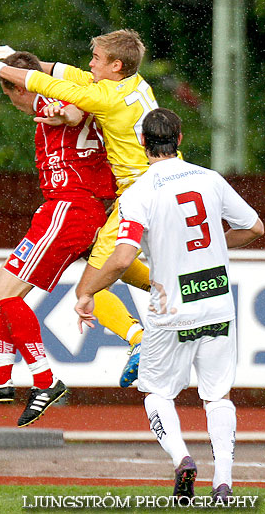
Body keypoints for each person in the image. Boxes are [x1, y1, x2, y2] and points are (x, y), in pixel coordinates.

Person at [74, 108, 263, 501]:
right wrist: (213, 247)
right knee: (217, 397)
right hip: (216, 304)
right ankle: (224, 482)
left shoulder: (139, 192)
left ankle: (182, 459)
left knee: (158, 393)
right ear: (179, 140)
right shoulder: (209, 179)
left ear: (142, 143)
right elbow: (255, 227)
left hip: (170, 311)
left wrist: (87, 291)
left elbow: (124, 258)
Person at [0, 30, 160, 387]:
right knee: (100, 273)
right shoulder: (133, 83)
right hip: (151, 186)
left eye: (97, 59)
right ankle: (161, 302)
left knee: (86, 287)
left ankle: (44, 379)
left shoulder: (103, 94)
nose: (91, 64)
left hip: (134, 195)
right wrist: (17, 56)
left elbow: (63, 96)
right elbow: (66, 75)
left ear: (115, 66)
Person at [0, 49, 118, 427]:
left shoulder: (52, 97)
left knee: (3, 295)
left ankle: (45, 382)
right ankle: (1, 378)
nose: (10, 99)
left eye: (8, 90)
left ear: (14, 87)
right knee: (2, 290)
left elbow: (72, 112)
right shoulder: (69, 88)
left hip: (71, 207)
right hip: (69, 208)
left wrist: (61, 113)